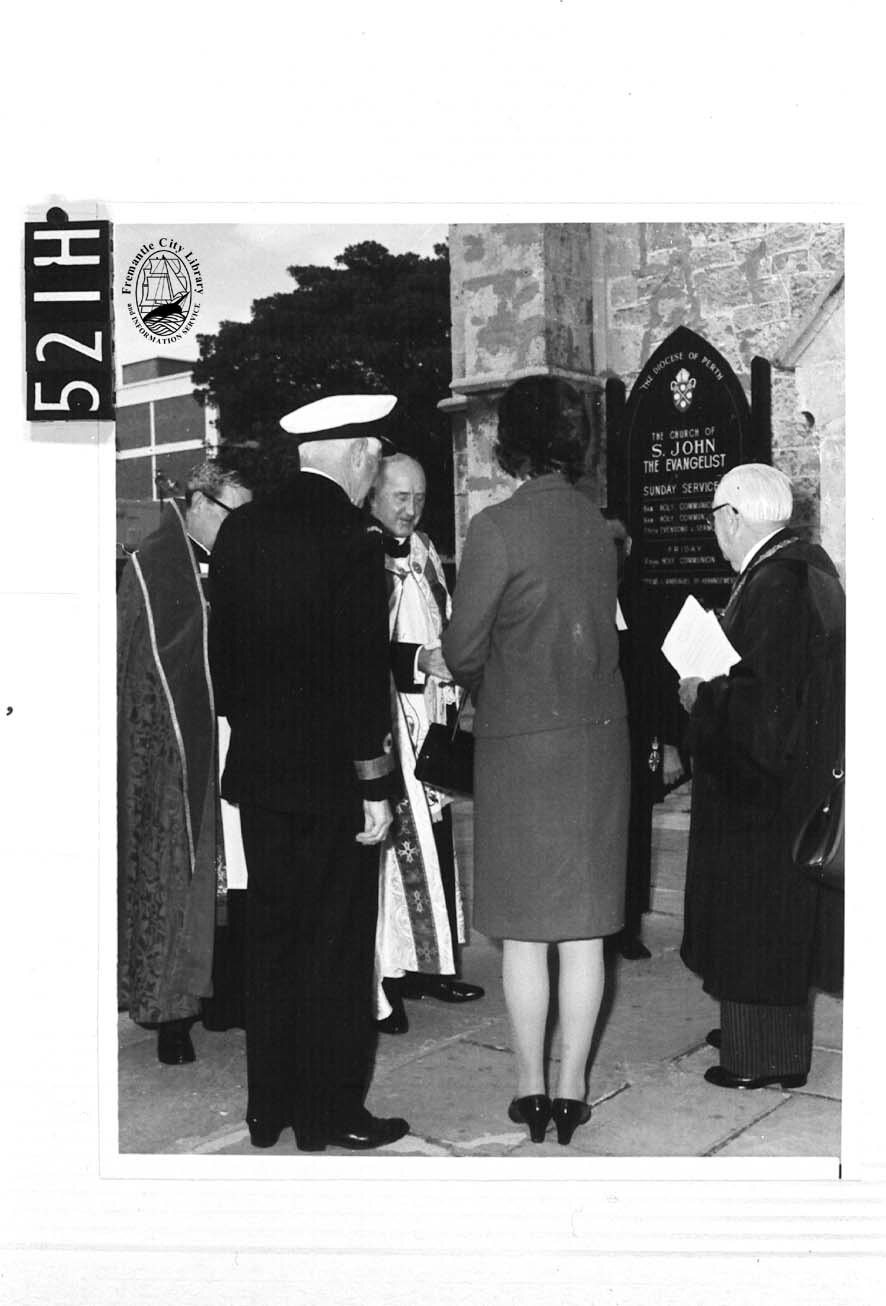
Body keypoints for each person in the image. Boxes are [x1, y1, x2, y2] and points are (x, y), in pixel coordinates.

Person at [208, 394, 409, 1152]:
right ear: (355, 456)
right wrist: (374, 787)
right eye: (375, 459)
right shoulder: (352, 541)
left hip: (261, 774)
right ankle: (328, 1114)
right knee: (334, 945)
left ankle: (269, 1110)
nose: (374, 473)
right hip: (332, 785)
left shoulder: (240, 531)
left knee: (273, 940)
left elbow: (223, 668)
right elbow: (362, 683)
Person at [442, 376, 630, 1146]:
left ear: (506, 440)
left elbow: (461, 649)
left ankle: (529, 1089)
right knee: (585, 932)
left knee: (524, 932)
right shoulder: (601, 529)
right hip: (597, 742)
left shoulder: (495, 529)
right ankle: (574, 1087)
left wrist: (499, 683)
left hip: (522, 748)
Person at [678, 464, 844, 1090]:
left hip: (762, 794)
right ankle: (772, 1044)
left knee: (755, 924)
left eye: (717, 518)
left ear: (735, 517)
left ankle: (757, 1060)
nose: (716, 531)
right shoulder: (805, 566)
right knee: (775, 929)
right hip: (791, 788)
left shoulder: (773, 582)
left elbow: (762, 708)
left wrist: (701, 695)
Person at [118, 459, 253, 1065]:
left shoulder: (231, 557)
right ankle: (171, 1012)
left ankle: (220, 992)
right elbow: (139, 668)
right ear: (200, 503)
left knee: (232, 876)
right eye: (235, 514)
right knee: (180, 873)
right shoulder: (154, 567)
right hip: (175, 744)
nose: (242, 528)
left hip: (230, 732)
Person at [366, 454, 484, 1035]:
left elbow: (448, 617)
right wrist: (418, 658)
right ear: (372, 496)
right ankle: (389, 976)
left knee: (436, 844)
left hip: (431, 716)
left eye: (417, 497)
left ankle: (431, 965)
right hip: (386, 721)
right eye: (398, 497)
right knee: (394, 855)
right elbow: (358, 648)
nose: (409, 509)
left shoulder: (428, 550)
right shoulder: (363, 555)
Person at [601, 514, 685, 961]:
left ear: (628, 545)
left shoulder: (649, 602)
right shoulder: (580, 592)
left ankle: (626, 928)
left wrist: (669, 741)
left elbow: (663, 678)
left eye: (616, 541)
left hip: (635, 738)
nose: (609, 550)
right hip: (591, 741)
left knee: (634, 833)